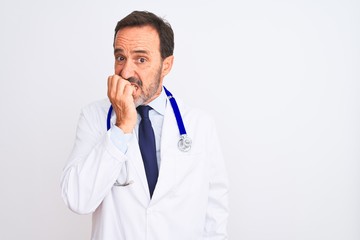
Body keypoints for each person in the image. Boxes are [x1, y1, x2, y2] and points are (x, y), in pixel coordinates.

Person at [61, 10, 229, 240]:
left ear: (166, 65)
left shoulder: (200, 125)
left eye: (141, 59)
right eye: (120, 57)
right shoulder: (93, 117)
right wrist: (121, 126)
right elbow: (78, 199)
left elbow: (215, 213)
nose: (127, 71)